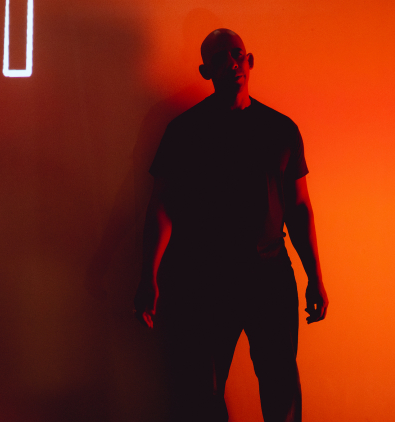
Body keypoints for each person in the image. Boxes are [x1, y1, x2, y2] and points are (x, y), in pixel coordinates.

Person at [134, 28, 328, 422]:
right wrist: (148, 276)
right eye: (220, 57)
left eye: (237, 54)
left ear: (250, 60)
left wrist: (315, 276)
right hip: (204, 279)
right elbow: (161, 207)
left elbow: (299, 205)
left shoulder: (280, 129)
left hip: (269, 275)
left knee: (279, 383)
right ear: (206, 70)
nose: (232, 63)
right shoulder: (185, 131)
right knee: (201, 392)